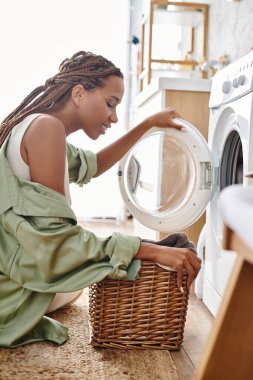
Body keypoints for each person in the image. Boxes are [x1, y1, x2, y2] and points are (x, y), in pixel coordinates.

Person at [0, 51, 201, 347]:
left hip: (12, 263)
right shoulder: (46, 129)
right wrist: (148, 250)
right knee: (86, 280)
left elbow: (93, 165)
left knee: (77, 289)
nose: (114, 116)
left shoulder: (36, 125)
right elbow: (57, 243)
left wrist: (147, 124)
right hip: (14, 277)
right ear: (79, 93)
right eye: (110, 103)